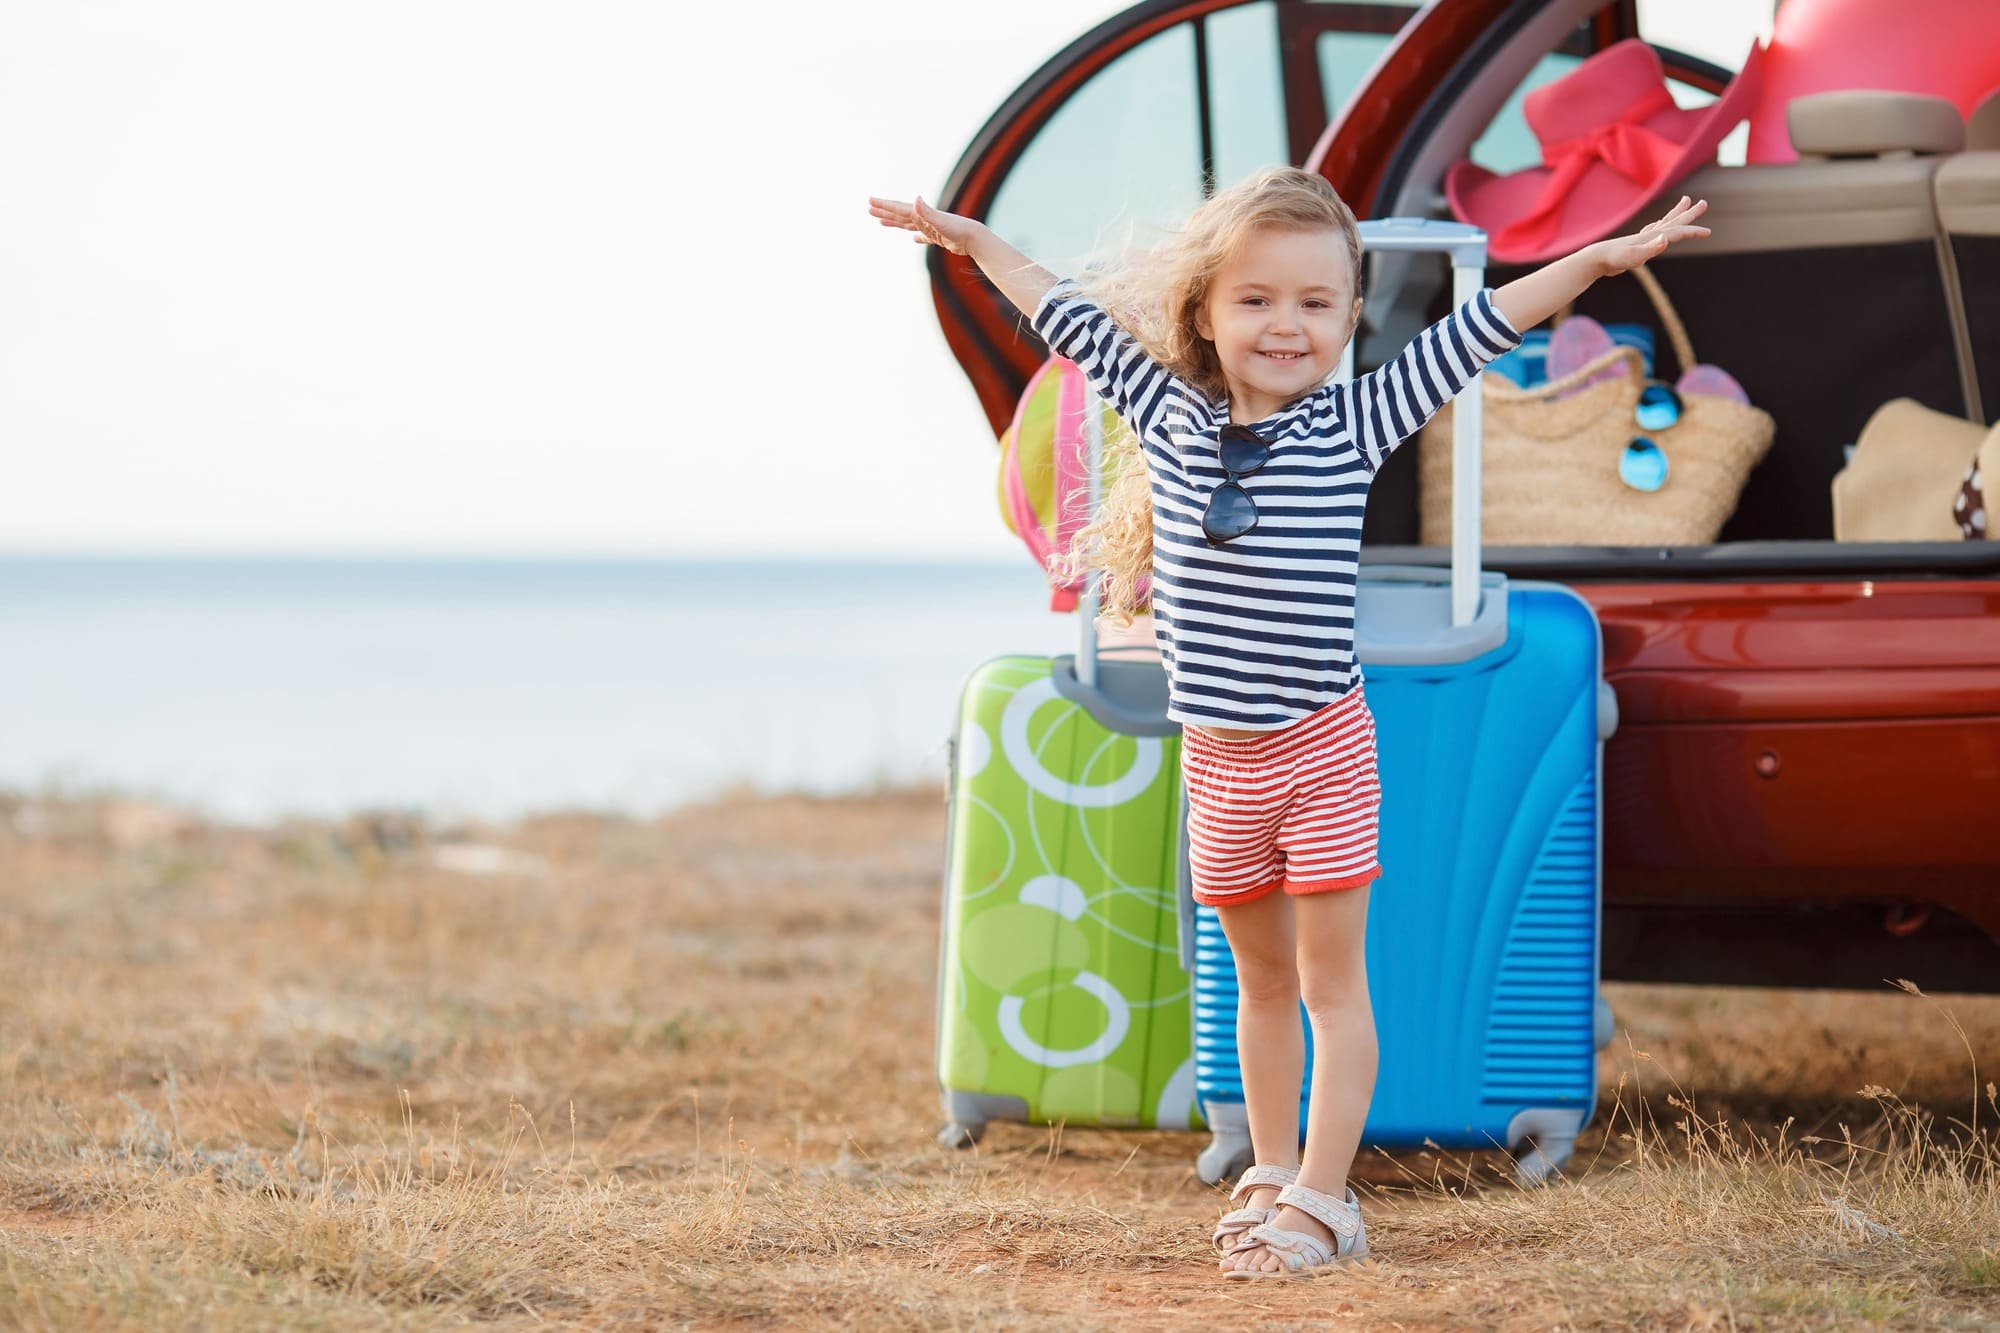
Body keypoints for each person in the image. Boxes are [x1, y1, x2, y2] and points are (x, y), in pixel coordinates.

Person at [868, 168, 1708, 1278]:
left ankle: (1323, 1196)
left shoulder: (1356, 421)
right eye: (1256, 298)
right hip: (1217, 766)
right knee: (1259, 988)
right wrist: (972, 239)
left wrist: (1595, 260)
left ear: (1351, 317)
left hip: (1322, 754)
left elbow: (1484, 325)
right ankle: (1269, 1170)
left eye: (1315, 302)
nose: (1285, 324)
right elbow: (1060, 307)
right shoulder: (1164, 409)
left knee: (1328, 987)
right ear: (1206, 313)